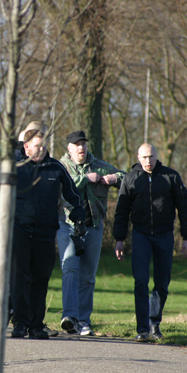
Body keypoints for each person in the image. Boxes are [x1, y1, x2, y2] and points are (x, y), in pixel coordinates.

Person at [113, 143, 187, 342]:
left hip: (165, 235)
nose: (148, 161)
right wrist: (119, 240)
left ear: (157, 156)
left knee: (162, 283)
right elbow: (121, 211)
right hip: (140, 235)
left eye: (151, 156)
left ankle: (154, 323)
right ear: (138, 158)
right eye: (144, 157)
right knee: (140, 281)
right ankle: (142, 329)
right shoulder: (130, 178)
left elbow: (184, 207)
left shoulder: (171, 177)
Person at [11, 130, 86, 339]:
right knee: (20, 278)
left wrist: (79, 219)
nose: (42, 149)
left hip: (45, 232)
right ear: (26, 147)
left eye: (44, 145)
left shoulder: (56, 168)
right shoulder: (15, 168)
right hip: (19, 231)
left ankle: (35, 325)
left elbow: (73, 195)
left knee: (40, 279)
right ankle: (19, 323)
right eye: (37, 145)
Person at [57, 130, 125, 336]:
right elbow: (63, 187)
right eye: (76, 144)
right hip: (67, 225)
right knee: (69, 269)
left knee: (88, 277)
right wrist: (86, 178)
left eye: (83, 144)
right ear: (69, 148)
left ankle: (83, 321)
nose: (81, 148)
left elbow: (126, 178)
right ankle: (69, 317)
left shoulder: (100, 165)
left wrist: (115, 177)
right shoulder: (61, 167)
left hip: (93, 227)